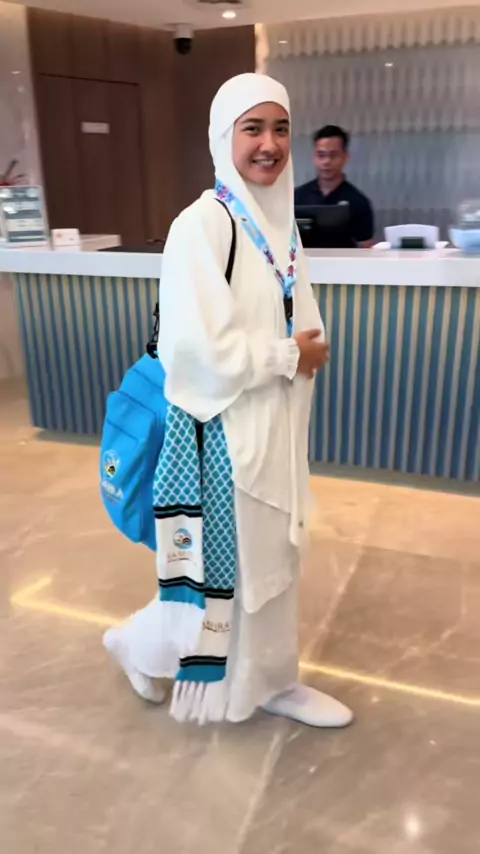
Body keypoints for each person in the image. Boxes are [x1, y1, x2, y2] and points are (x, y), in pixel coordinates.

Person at [103, 73, 353, 729]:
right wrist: (286, 356)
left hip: (274, 428)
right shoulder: (201, 226)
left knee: (273, 565)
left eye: (280, 128)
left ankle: (271, 680)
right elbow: (195, 349)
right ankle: (134, 644)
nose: (269, 144)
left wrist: (296, 359)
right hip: (221, 436)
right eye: (253, 128)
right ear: (223, 137)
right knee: (221, 578)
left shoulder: (278, 225)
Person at [295, 125, 374, 248]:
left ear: (345, 157)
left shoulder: (358, 202)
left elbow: (366, 247)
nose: (326, 162)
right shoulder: (297, 197)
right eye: (321, 155)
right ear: (314, 158)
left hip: (345, 260)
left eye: (333, 155)